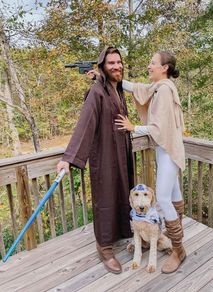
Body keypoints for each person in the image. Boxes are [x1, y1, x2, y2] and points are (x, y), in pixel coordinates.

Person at [57, 47, 134, 274]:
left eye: (119, 62)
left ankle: (120, 232)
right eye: (111, 63)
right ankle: (104, 246)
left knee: (122, 193)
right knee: (106, 197)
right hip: (105, 154)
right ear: (103, 66)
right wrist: (68, 158)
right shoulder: (96, 92)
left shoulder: (117, 89)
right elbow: (85, 125)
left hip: (121, 152)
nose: (116, 66)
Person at [114, 51, 186, 274]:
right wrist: (113, 77)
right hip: (166, 150)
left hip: (168, 152)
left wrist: (133, 127)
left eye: (153, 63)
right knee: (174, 197)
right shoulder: (158, 88)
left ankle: (178, 250)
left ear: (164, 67)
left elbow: (160, 127)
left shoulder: (164, 91)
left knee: (163, 198)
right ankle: (177, 245)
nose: (149, 66)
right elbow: (140, 89)